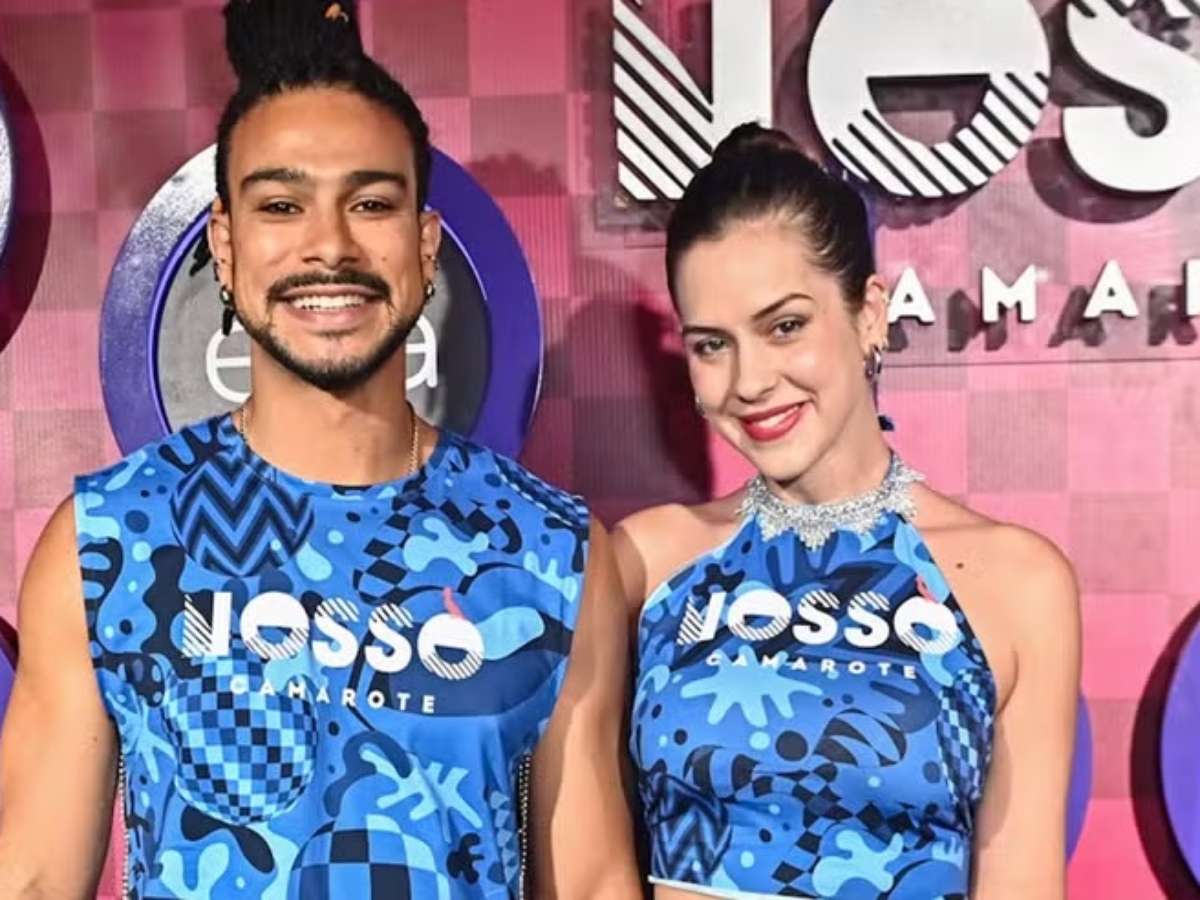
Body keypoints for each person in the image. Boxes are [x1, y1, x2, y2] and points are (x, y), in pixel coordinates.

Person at [0, 1, 639, 897]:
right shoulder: (109, 541)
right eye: (282, 205)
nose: (329, 246)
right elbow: (30, 879)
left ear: (424, 245)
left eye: (371, 203)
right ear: (226, 248)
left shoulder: (552, 551)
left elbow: (594, 882)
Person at [613, 124, 1080, 899]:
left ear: (869, 312)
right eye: (711, 345)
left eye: (784, 327)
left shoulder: (1017, 581)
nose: (749, 381)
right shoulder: (647, 563)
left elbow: (1022, 882)